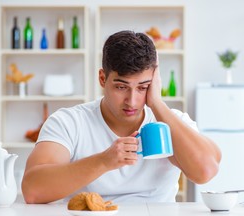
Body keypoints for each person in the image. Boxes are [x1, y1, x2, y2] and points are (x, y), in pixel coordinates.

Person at [22, 30, 221, 204]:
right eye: (121, 87)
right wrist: (103, 162)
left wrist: (157, 104)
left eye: (143, 87)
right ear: (102, 78)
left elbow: (205, 172)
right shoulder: (69, 122)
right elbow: (32, 190)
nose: (132, 101)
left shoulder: (170, 121)